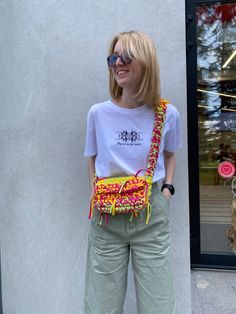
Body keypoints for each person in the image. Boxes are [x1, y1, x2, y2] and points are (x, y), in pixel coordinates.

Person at [83, 31, 181, 314]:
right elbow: (92, 158)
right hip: (107, 216)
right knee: (102, 303)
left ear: (146, 61)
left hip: (150, 211)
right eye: (113, 57)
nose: (117, 63)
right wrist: (94, 192)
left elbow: (170, 154)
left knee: (158, 302)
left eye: (126, 56)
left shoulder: (167, 113)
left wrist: (167, 190)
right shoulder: (97, 113)